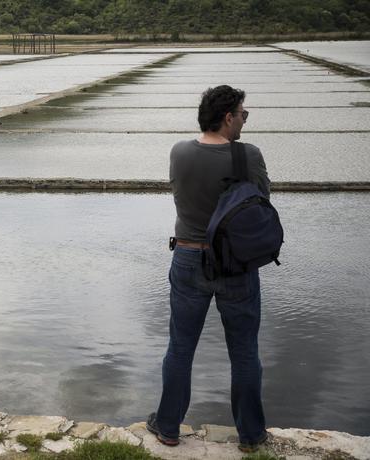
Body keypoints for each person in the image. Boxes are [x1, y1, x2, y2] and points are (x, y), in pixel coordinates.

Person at [147, 85, 271, 453]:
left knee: (181, 348)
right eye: (243, 114)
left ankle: (168, 427)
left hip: (187, 259)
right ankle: (250, 436)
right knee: (245, 352)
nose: (245, 120)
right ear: (228, 117)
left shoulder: (179, 151)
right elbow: (261, 201)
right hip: (235, 263)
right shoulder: (248, 155)